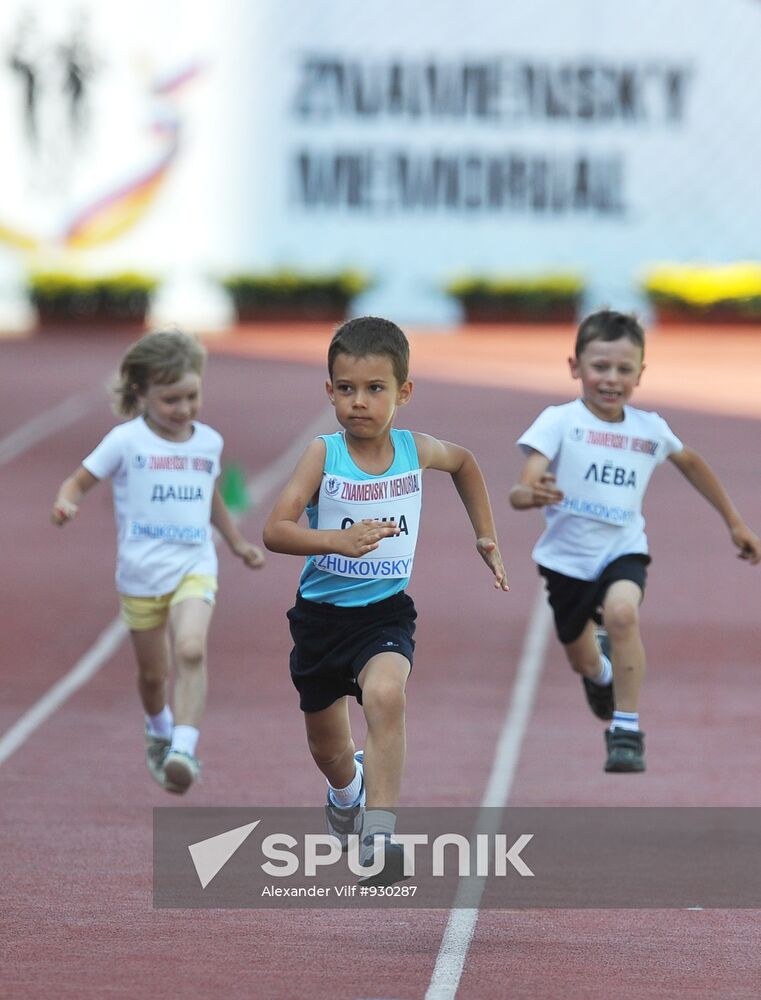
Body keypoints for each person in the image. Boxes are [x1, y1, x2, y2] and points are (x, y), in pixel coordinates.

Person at [263, 316, 508, 885]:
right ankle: (346, 793)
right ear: (329, 392)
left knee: (386, 694)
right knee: (327, 747)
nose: (359, 403)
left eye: (375, 389)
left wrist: (485, 534)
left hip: (384, 614)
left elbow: (466, 462)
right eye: (346, 389)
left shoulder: (414, 449)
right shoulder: (323, 455)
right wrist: (334, 541)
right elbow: (276, 530)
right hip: (321, 621)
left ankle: (380, 832)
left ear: (404, 392)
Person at [509, 309, 761, 773]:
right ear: (575, 367)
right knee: (584, 662)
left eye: (624, 369)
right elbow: (522, 487)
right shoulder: (559, 421)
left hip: (623, 549)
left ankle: (625, 728)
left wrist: (735, 522)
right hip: (566, 561)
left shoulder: (649, 429)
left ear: (640, 374)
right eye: (600, 367)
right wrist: (529, 493)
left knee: (623, 613)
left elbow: (692, 464)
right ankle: (603, 673)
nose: (611, 378)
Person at [51, 329, 264, 793]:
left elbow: (210, 496)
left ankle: (183, 750)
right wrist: (67, 503)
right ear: (140, 393)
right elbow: (78, 482)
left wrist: (235, 543)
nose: (184, 408)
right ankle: (159, 729)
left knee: (191, 648)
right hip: (141, 573)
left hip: (194, 564)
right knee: (153, 675)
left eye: (192, 396)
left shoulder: (207, 442)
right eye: (171, 399)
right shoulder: (124, 442)